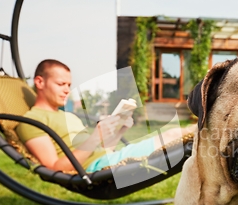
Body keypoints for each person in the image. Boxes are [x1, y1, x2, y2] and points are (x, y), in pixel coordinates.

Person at [16, 59, 193, 172]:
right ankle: (210, 128)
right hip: (98, 169)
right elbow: (55, 168)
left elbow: (104, 151)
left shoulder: (69, 117)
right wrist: (96, 136)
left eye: (69, 85)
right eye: (61, 84)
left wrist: (120, 131)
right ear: (40, 82)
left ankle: (208, 129)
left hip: (109, 160)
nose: (67, 90)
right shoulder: (32, 122)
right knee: (174, 136)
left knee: (175, 134)